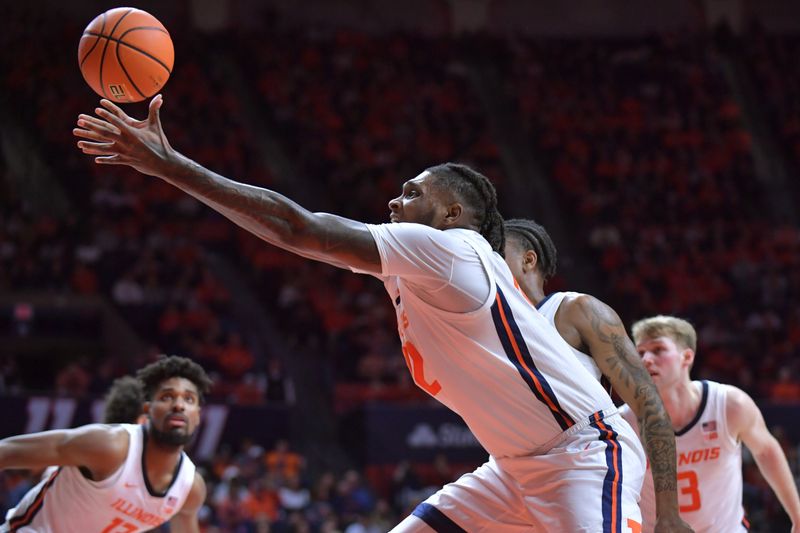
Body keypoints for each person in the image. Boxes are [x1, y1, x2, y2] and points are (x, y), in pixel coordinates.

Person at [73, 96, 689, 532]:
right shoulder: (424, 270)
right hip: (516, 468)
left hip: (585, 454)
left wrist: (169, 166)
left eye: (413, 191)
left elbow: (297, 228)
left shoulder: (450, 250)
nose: (395, 199)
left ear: (452, 214)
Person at [503, 218, 691, 531]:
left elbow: (649, 406)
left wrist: (668, 513)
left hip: (586, 464)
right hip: (517, 472)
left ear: (528, 259)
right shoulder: (494, 330)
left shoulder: (574, 310)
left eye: (497, 252)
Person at [620, 316, 800, 532]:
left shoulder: (729, 405)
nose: (647, 359)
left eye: (658, 349)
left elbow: (766, 451)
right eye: (640, 353)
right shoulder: (625, 422)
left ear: (686, 357)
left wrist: (797, 515)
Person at [0, 356, 210, 532]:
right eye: (167, 396)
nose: (179, 405)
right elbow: (7, 451)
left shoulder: (190, 488)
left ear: (198, 416)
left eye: (189, 399)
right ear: (147, 410)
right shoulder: (110, 447)